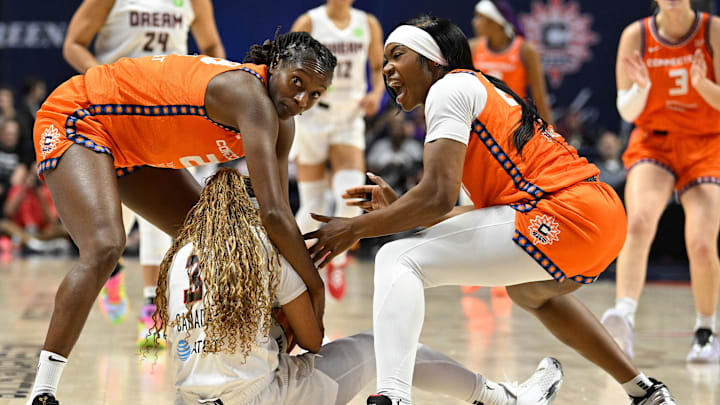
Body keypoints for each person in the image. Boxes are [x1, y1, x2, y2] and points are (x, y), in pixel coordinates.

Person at [305, 15, 677, 405]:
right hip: (598, 217)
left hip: (563, 213)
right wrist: (399, 208)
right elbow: (474, 220)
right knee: (530, 293)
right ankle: (643, 390)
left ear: (433, 62)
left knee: (397, 258)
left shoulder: (448, 89)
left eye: (397, 55)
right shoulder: (478, 90)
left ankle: (394, 397)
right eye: (382, 62)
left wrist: (356, 228)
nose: (387, 70)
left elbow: (436, 197)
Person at [25, 32, 335, 405]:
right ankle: (42, 391)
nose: (301, 99)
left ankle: (256, 355)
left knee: (221, 240)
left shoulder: (282, 122)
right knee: (105, 246)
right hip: (79, 115)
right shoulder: (250, 97)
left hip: (133, 145)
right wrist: (313, 288)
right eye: (297, 82)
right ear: (275, 66)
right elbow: (272, 213)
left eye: (315, 95)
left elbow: (279, 213)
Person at [155, 167, 563, 405]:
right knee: (382, 345)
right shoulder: (261, 248)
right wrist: (311, 289)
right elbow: (313, 341)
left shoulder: (175, 262)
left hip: (188, 399)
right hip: (264, 398)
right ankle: (502, 399)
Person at [63, 0, 227, 347]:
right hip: (114, 110)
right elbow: (74, 43)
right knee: (108, 219)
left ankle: (153, 306)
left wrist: (213, 80)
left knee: (162, 213)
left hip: (169, 109)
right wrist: (105, 81)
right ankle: (115, 271)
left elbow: (211, 45)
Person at [601, 0, 720, 363]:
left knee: (701, 244)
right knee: (637, 222)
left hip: (705, 143)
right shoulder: (636, 36)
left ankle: (706, 330)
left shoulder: (712, 30)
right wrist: (641, 88)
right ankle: (624, 318)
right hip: (654, 140)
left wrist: (702, 86)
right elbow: (627, 110)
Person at [290, 0, 385, 300]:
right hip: (313, 115)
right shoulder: (309, 22)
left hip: (348, 115)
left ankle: (339, 259)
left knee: (350, 196)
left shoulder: (367, 23)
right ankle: (292, 266)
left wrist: (377, 94)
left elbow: (378, 68)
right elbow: (284, 66)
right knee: (312, 206)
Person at [469, 0, 553, 124]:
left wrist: (552, 135)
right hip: (481, 125)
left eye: (480, 17)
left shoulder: (526, 50)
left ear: (495, 22)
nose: (474, 22)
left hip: (515, 124)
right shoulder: (473, 48)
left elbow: (539, 97)